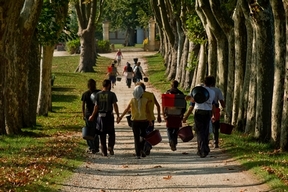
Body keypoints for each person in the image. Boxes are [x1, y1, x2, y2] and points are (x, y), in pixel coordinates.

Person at [183, 76, 215, 158]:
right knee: (205, 130)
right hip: (208, 112)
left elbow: (189, 99)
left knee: (200, 131)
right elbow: (213, 104)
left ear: (204, 82)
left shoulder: (198, 89)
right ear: (212, 83)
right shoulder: (212, 92)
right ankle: (205, 148)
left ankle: (201, 150)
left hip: (199, 111)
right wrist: (213, 114)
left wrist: (190, 98)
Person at [117, 85, 152, 159]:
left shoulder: (132, 100)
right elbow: (148, 112)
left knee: (136, 137)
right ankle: (142, 149)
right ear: (142, 93)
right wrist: (150, 120)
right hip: (144, 121)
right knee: (143, 135)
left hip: (135, 122)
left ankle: (137, 154)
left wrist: (120, 117)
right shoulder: (145, 100)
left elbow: (126, 110)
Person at [89, 79, 120, 156]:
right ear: (109, 85)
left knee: (101, 134)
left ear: (103, 85)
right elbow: (115, 105)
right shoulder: (112, 94)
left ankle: (104, 151)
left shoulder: (97, 95)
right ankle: (110, 146)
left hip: (100, 116)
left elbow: (96, 107)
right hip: (109, 115)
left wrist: (92, 116)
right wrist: (118, 115)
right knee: (111, 133)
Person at [137, 82, 162, 155]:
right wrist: (159, 115)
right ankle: (147, 146)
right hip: (151, 118)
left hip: (141, 118)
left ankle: (142, 148)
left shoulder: (138, 96)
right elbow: (158, 105)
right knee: (149, 134)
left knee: (142, 134)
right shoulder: (151, 95)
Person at [163, 80, 186, 151]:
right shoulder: (181, 94)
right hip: (178, 113)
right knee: (176, 129)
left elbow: (164, 104)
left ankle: (171, 140)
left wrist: (164, 113)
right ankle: (175, 142)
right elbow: (184, 106)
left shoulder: (167, 93)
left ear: (171, 85)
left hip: (169, 113)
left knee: (169, 128)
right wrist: (182, 113)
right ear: (177, 85)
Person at [81, 79, 100, 154]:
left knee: (88, 131)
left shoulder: (85, 94)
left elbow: (83, 105)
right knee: (95, 131)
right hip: (97, 114)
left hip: (88, 114)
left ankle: (91, 147)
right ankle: (96, 147)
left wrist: (83, 114)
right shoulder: (98, 93)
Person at [210, 76, 226, 148]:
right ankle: (216, 142)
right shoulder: (217, 90)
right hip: (215, 109)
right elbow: (221, 101)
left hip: (206, 109)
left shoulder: (205, 90)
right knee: (215, 126)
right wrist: (224, 107)